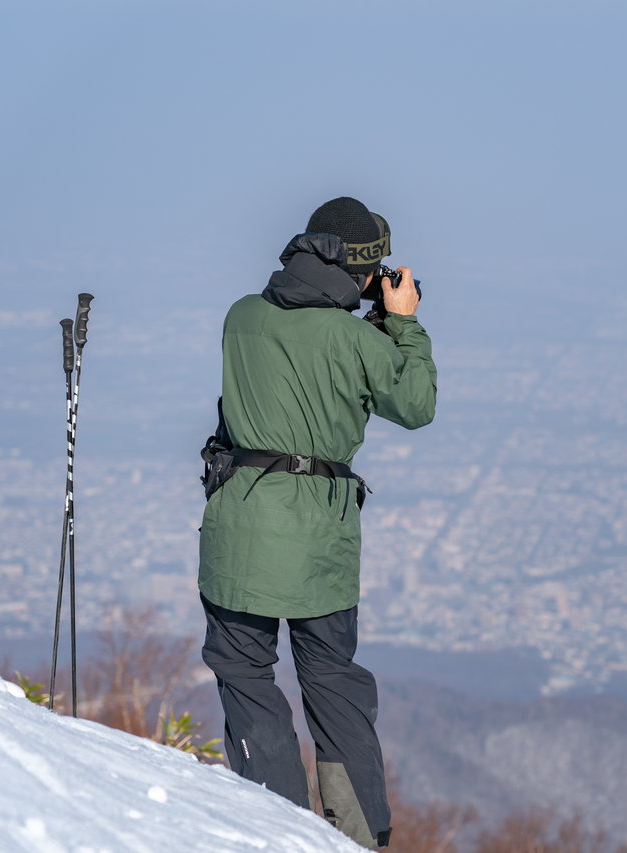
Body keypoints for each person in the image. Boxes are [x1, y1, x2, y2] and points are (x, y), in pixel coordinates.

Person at [197, 197, 436, 850]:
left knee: (244, 672)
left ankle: (276, 825)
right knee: (332, 681)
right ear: (363, 271)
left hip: (236, 527)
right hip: (318, 544)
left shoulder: (240, 317)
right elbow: (415, 404)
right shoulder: (356, 338)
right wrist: (403, 323)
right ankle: (358, 837)